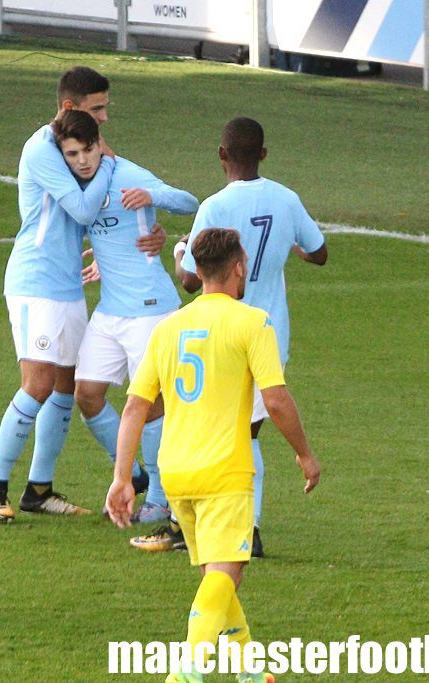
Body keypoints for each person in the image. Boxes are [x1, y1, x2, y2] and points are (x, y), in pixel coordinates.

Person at [106, 228, 319, 683]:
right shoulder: (252, 323)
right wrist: (305, 454)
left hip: (177, 474)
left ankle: (248, 672)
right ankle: (187, 671)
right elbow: (276, 400)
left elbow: (136, 406)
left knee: (216, 580)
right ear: (239, 266)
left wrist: (122, 476)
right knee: (227, 573)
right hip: (225, 473)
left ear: (197, 272)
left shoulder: (168, 328)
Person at [133, 116, 326, 556]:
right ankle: (241, 528)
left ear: (221, 155)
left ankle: (216, 527)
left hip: (221, 334)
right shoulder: (286, 199)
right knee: (245, 435)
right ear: (263, 154)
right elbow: (319, 253)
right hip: (270, 333)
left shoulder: (214, 207)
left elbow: (190, 281)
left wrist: (181, 250)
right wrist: (290, 246)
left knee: (216, 434)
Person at [0, 67, 164, 523]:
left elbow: (108, 209)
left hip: (67, 284)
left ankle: (39, 488)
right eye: (96, 109)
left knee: (69, 386)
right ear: (68, 108)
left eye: (105, 109)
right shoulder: (43, 148)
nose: (103, 119)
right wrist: (108, 162)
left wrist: (150, 232)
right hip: (35, 280)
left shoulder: (86, 151)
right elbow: (83, 205)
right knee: (39, 382)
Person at [51, 110, 199, 524]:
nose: (82, 161)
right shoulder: (75, 188)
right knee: (87, 393)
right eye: (73, 154)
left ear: (101, 146)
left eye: (88, 151)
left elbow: (191, 204)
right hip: (110, 310)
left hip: (150, 310)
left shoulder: (129, 175)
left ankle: (161, 496)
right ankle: (132, 476)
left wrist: (154, 199)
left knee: (150, 404)